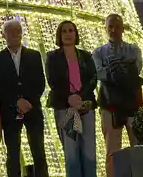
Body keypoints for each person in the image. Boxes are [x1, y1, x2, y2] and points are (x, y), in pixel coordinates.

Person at [0, 20, 47, 177]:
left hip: (32, 110)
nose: (15, 34)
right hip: (9, 112)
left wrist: (27, 101)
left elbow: (40, 83)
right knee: (13, 155)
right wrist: (16, 101)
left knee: (39, 152)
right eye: (10, 31)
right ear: (4, 35)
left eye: (17, 30)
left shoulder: (34, 55)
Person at [46, 20, 98, 177]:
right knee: (71, 150)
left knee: (89, 149)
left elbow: (93, 78)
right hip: (65, 107)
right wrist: (69, 98)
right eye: (64, 31)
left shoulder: (86, 56)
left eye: (71, 30)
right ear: (59, 35)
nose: (68, 34)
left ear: (76, 34)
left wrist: (80, 98)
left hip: (85, 106)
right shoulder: (53, 57)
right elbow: (53, 81)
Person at [93, 14, 143, 177]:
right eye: (110, 27)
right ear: (105, 29)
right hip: (110, 105)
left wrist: (115, 71)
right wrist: (123, 69)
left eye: (117, 26)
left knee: (138, 148)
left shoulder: (134, 49)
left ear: (123, 28)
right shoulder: (98, 52)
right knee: (112, 151)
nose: (114, 30)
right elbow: (99, 73)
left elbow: (136, 71)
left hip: (132, 104)